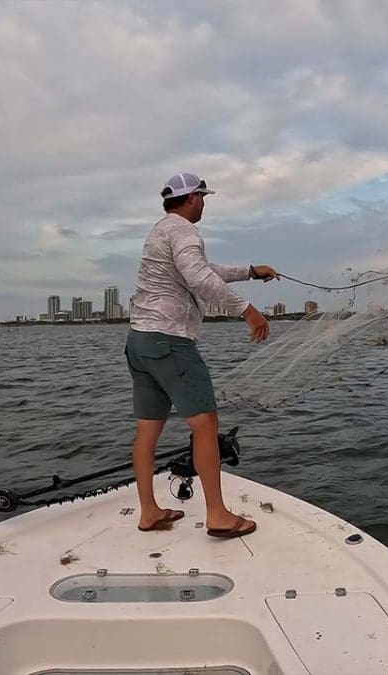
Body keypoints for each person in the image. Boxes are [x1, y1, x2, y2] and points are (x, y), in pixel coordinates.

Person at [125, 171, 277, 539]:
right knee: (206, 424)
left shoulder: (161, 230)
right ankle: (217, 515)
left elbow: (205, 270)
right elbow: (200, 278)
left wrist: (252, 272)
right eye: (203, 197)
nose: (205, 203)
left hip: (140, 342)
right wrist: (247, 310)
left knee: (148, 429)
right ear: (192, 198)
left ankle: (148, 511)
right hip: (170, 341)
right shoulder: (184, 231)